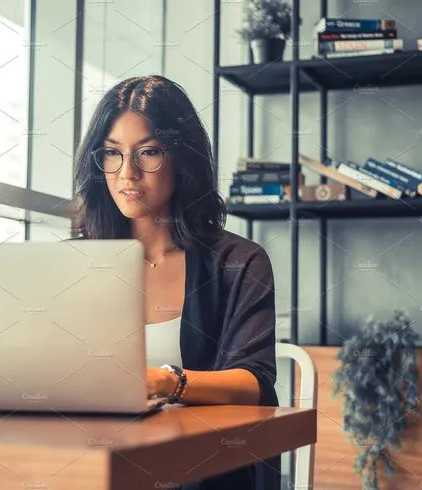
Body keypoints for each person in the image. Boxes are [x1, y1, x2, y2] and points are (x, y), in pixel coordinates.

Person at [72, 75, 280, 490]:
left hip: (197, 473)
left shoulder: (239, 262)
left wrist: (167, 381)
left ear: (182, 157)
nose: (127, 173)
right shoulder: (74, 263)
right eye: (112, 153)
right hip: (87, 467)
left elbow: (255, 383)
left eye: (147, 152)